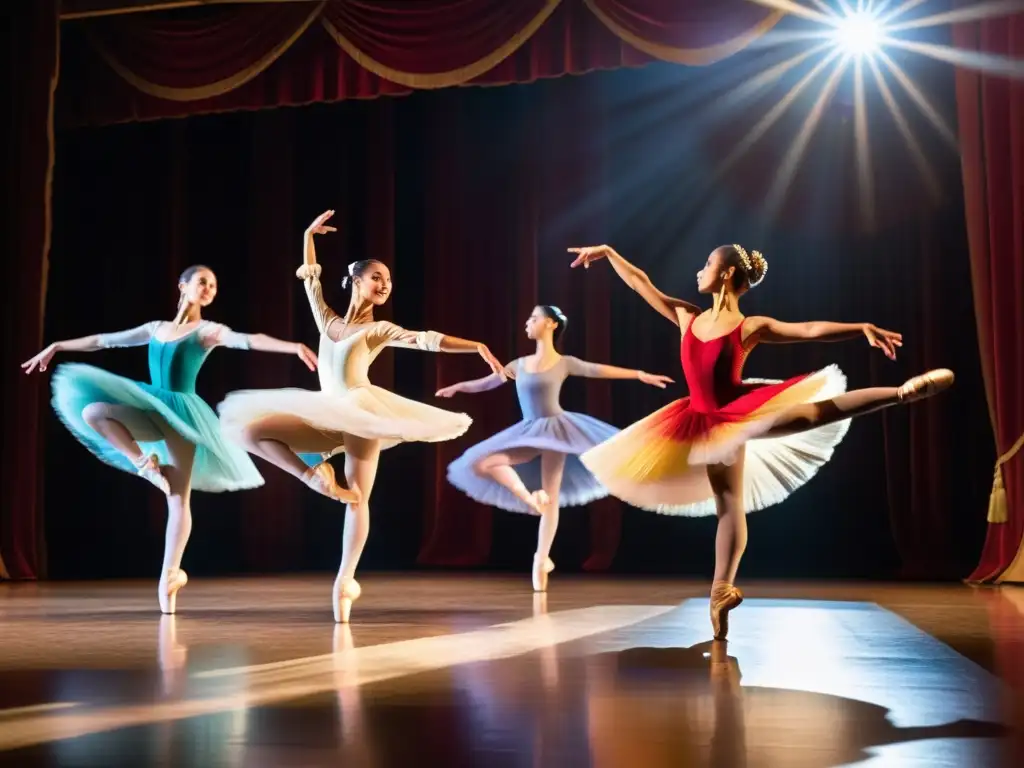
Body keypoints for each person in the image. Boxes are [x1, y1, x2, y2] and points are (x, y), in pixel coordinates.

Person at [568, 243, 953, 639]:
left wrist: (860, 329)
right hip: (700, 420)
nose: (699, 270)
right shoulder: (687, 316)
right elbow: (639, 282)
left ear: (727, 274)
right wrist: (610, 253)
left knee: (817, 413)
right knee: (729, 504)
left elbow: (808, 331)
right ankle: (720, 591)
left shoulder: (748, 327)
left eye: (707, 264)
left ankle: (902, 393)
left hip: (739, 412)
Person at [218, 210, 505, 623]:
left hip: (362, 412)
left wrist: (476, 346)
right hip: (325, 411)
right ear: (356, 280)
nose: (385, 285)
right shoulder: (328, 320)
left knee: (358, 496)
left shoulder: (379, 328)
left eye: (388, 281)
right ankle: (314, 477)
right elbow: (312, 278)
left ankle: (345, 580)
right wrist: (307, 235)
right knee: (250, 430)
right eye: (376, 277)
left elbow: (424, 341)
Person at [22, 264, 318, 614]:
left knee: (178, 499)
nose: (209, 289)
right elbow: (104, 340)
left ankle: (169, 576)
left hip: (182, 417)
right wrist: (56, 345)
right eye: (203, 282)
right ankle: (142, 464)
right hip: (151, 407)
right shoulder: (155, 329)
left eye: (214, 285)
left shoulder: (207, 330)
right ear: (183, 286)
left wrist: (293, 346)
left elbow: (248, 340)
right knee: (94, 413)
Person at [439, 305, 672, 591]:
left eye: (534, 318)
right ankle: (529, 499)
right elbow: (487, 383)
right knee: (484, 463)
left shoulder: (564, 363)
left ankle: (541, 558)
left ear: (550, 324)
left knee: (552, 493)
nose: (527, 322)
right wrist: (458, 387)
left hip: (558, 430)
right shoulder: (518, 365)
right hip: (529, 430)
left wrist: (639, 374)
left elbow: (596, 370)